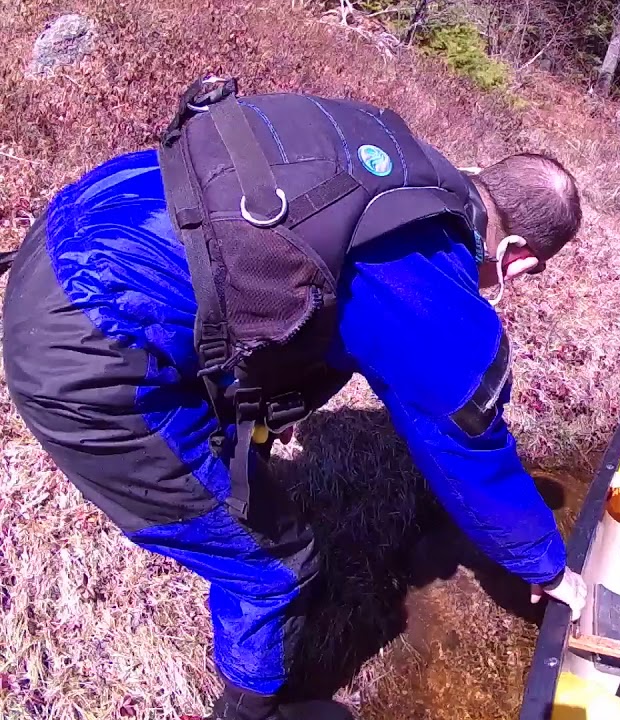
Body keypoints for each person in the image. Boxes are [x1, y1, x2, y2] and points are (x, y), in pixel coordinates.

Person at [2, 77, 587, 720]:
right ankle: (251, 714)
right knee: (275, 565)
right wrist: (548, 566)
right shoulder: (426, 275)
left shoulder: (397, 164)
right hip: (87, 346)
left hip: (73, 223)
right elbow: (470, 448)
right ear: (518, 258)